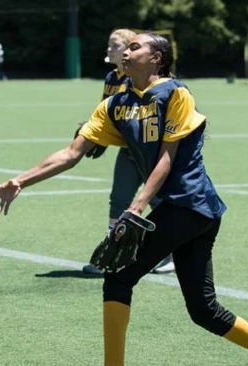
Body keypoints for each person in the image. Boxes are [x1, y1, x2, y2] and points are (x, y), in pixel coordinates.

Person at [0, 32, 248, 366]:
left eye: (136, 47)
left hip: (191, 204)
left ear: (157, 59)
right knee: (204, 311)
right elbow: (71, 153)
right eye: (125, 47)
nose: (126, 52)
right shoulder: (115, 104)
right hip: (185, 211)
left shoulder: (175, 93)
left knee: (117, 278)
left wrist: (135, 208)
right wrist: (20, 181)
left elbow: (167, 157)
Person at [82, 28, 175, 275]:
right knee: (119, 198)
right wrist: (96, 135)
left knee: (158, 202)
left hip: (150, 152)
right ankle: (112, 252)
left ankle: (169, 253)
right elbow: (109, 111)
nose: (109, 50)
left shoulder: (146, 78)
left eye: (115, 45)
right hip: (127, 150)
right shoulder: (112, 78)